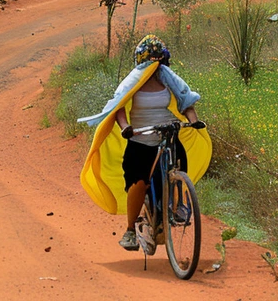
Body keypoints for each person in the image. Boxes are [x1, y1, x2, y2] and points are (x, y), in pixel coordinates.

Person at [77, 34, 211, 251]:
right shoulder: (132, 81)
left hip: (168, 132)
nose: (154, 65)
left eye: (157, 61)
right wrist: (125, 128)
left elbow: (186, 102)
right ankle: (130, 229)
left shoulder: (168, 78)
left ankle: (178, 206)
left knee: (179, 164)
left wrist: (194, 122)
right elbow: (118, 107)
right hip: (141, 137)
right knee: (138, 183)